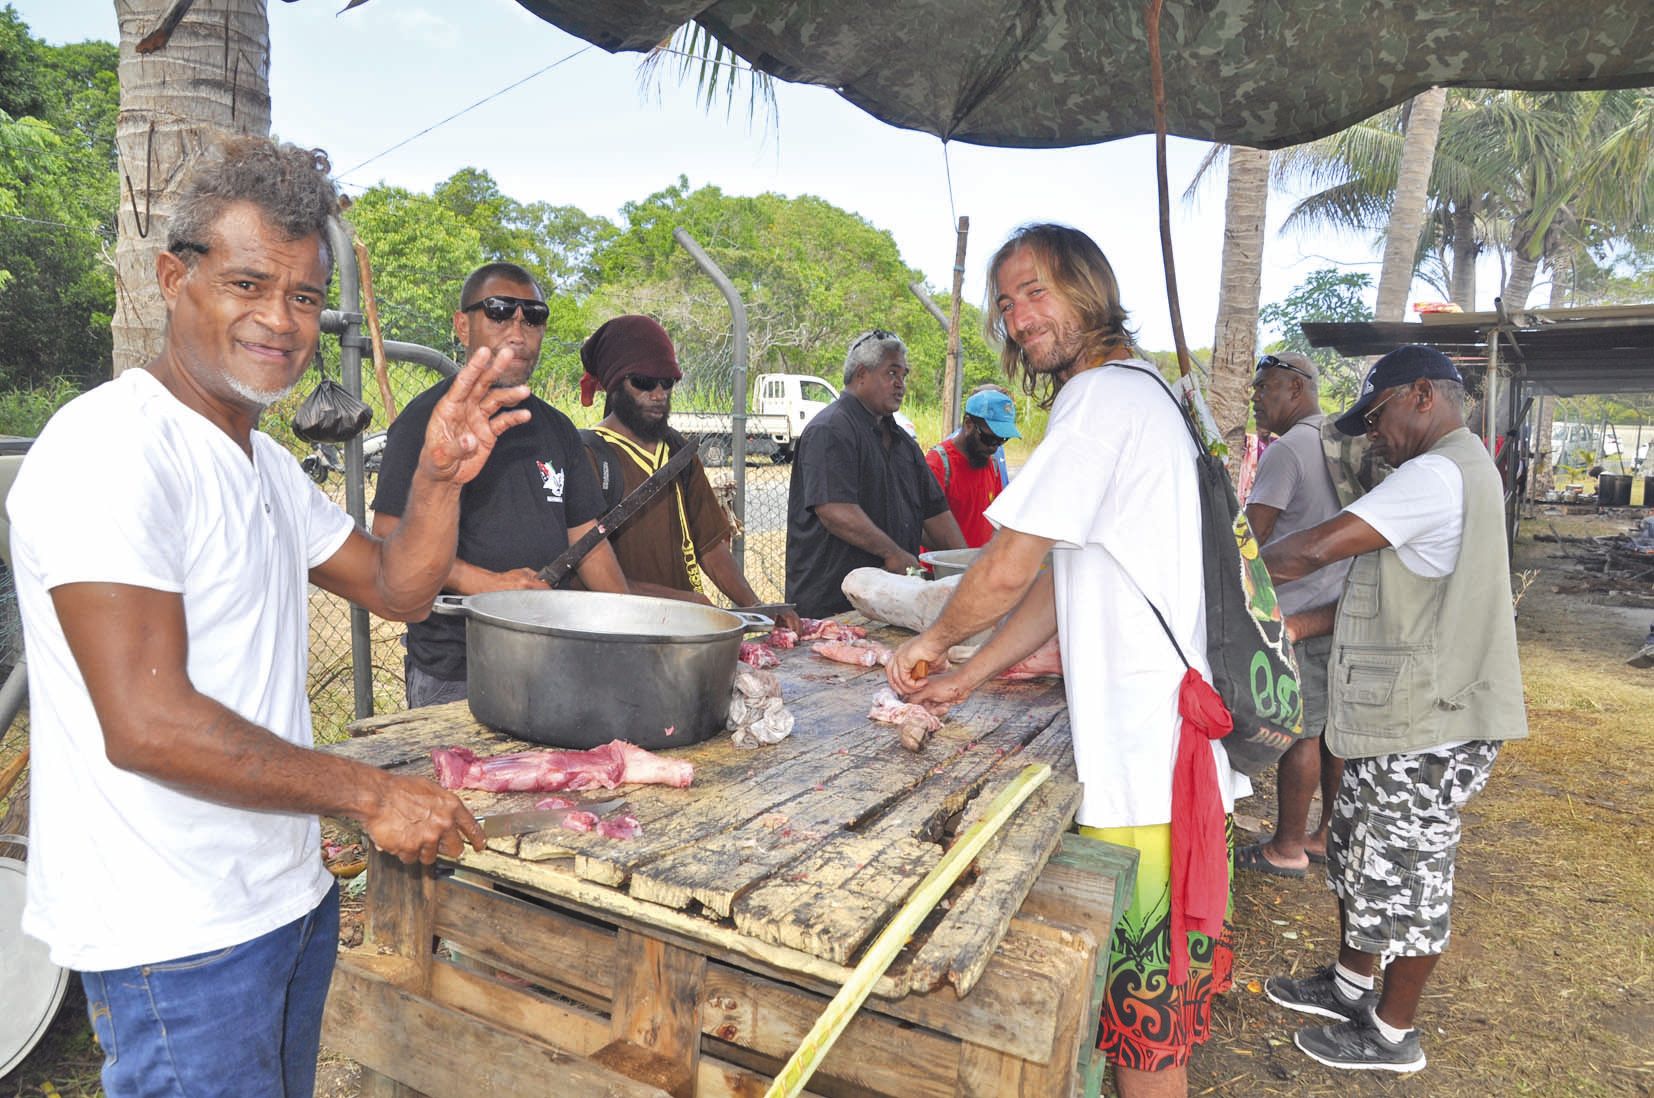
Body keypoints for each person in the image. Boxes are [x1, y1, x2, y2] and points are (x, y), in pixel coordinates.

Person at [8, 136, 505, 1098]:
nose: (279, 321)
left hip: (283, 899)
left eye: (306, 297)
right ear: (171, 277)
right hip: (176, 936)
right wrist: (368, 795)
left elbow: (398, 589)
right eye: (246, 284)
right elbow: (148, 724)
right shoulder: (112, 449)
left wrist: (440, 475)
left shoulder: (265, 465)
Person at [887, 224, 1249, 1098]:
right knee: (1138, 1010)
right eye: (1006, 303)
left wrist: (932, 640)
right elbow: (1061, 576)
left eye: (1036, 291)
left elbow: (1008, 562)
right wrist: (969, 674)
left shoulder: (1101, 401)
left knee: (1145, 1027)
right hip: (1153, 749)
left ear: (1090, 289)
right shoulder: (1140, 392)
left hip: (1146, 761)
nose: (1018, 318)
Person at [1258, 344, 1526, 1073]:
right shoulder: (1452, 470)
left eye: (1376, 417)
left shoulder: (1438, 473)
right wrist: (1299, 625)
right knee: (1362, 853)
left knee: (1411, 870)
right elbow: (1384, 593)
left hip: (1433, 719)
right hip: (1405, 711)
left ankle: (1392, 1035)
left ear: (1419, 397)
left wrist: (1228, 570)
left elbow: (1317, 548)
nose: (1373, 433)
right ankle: (1351, 986)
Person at [372, 262, 628, 707]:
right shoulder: (424, 423)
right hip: (460, 669)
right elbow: (385, 540)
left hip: (555, 654)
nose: (518, 328)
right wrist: (489, 585)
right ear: (462, 326)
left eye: (534, 315)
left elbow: (588, 540)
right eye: (498, 311)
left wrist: (632, 626)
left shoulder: (558, 429)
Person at [575, 314, 801, 631]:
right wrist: (683, 601)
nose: (658, 394)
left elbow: (709, 546)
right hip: (618, 637)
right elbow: (586, 576)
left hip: (683, 636)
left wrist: (758, 608)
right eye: (643, 382)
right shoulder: (588, 457)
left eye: (667, 382)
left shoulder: (678, 452)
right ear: (614, 384)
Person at [1234, 352, 1350, 877]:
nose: (1257, 397)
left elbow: (1251, 535)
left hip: (1295, 609)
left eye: (1265, 388)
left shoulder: (1288, 451)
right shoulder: (1338, 441)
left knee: (1300, 732)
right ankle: (1326, 833)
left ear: (1296, 389)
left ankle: (1286, 847)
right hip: (1337, 605)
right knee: (1330, 732)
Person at [784, 329, 965, 618]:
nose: (900, 385)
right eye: (891, 373)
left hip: (890, 606)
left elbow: (936, 516)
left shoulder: (905, 445)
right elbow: (835, 510)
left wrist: (966, 568)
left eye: (903, 375)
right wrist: (893, 554)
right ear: (860, 375)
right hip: (832, 610)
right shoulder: (830, 430)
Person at [926, 387, 1021, 547]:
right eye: (989, 439)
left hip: (977, 567)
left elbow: (995, 521)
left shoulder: (993, 465)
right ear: (969, 424)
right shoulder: (939, 464)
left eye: (1002, 440)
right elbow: (920, 525)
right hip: (943, 569)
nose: (994, 448)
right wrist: (958, 556)